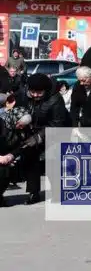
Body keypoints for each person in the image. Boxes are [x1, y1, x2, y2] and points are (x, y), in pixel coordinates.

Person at [0, 73, 69, 204]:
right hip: (31, 131)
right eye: (33, 92)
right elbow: (18, 112)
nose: (36, 95)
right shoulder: (23, 94)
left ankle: (58, 192)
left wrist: (38, 137)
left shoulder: (55, 99)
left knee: (52, 160)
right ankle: (33, 193)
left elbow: (56, 124)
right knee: (31, 160)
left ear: (46, 90)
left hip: (55, 132)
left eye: (39, 92)